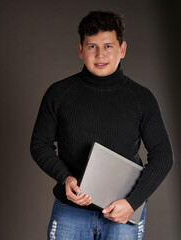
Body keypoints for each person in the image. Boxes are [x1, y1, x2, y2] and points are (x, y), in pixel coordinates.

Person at [30, 10, 173, 240]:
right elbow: (40, 144)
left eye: (108, 46)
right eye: (91, 46)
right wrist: (65, 177)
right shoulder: (58, 94)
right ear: (80, 50)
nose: (100, 55)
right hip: (70, 210)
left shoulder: (142, 98)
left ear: (122, 49)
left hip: (123, 211)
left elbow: (164, 155)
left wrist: (132, 202)